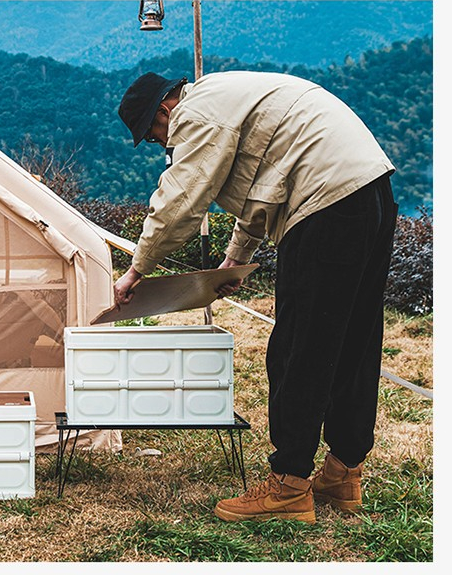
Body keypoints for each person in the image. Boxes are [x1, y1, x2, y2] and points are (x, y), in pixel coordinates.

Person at [115, 70, 398, 523]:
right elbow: (263, 189)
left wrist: (136, 270)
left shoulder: (195, 114)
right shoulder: (226, 98)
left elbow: (182, 199)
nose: (161, 146)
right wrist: (233, 262)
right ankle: (343, 472)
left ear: (165, 110)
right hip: (369, 191)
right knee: (353, 341)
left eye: (153, 136)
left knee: (299, 348)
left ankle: (288, 485)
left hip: (323, 204)